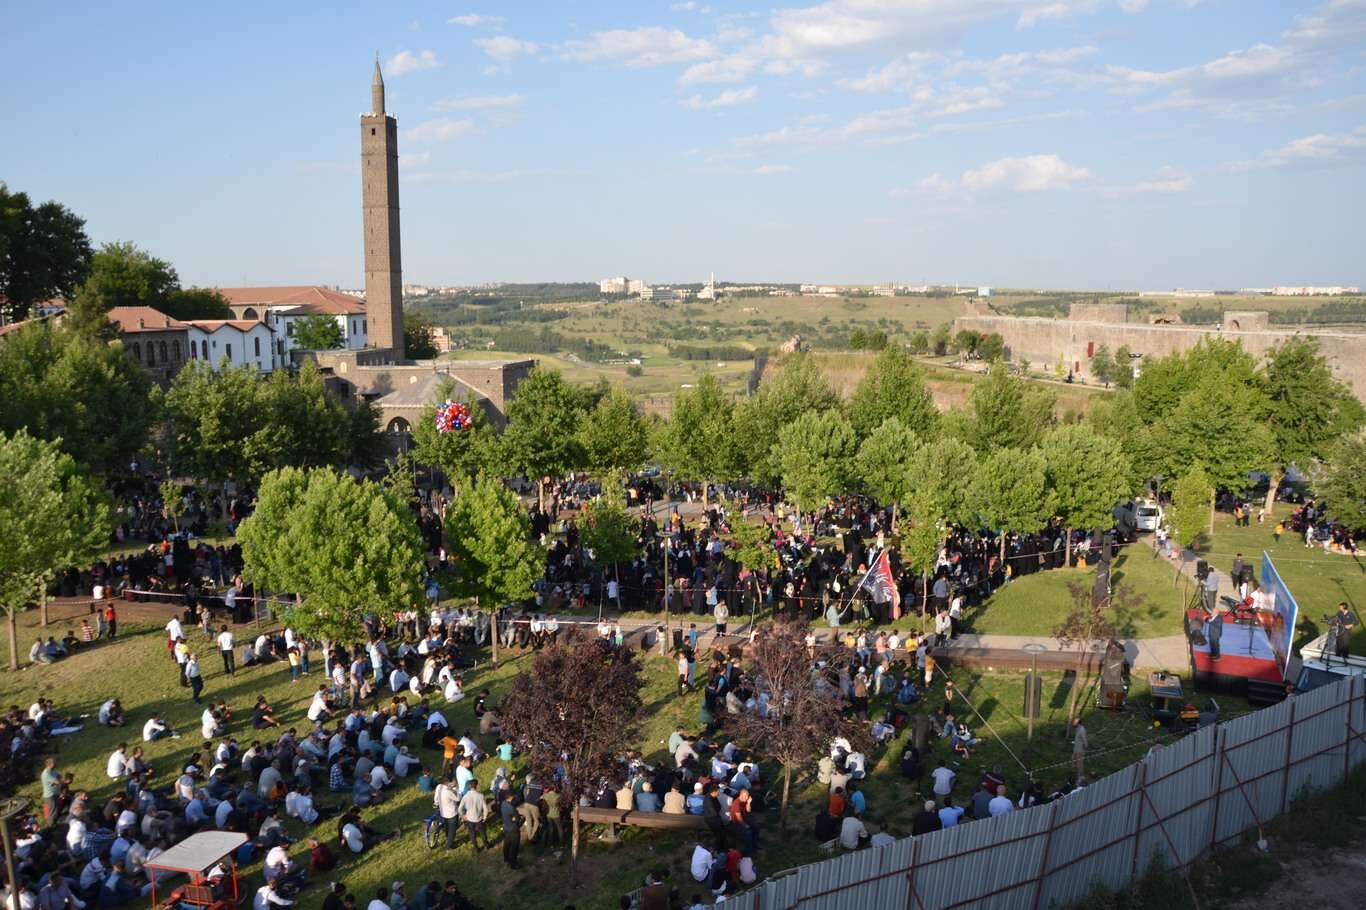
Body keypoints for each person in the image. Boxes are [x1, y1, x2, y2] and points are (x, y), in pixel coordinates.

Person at [499, 791, 521, 869]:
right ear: (511, 797)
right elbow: (517, 818)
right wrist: (515, 817)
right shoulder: (511, 807)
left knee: (507, 845)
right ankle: (513, 864)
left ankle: (506, 859)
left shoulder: (503, 803)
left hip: (506, 828)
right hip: (513, 829)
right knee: (514, 847)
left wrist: (513, 817)